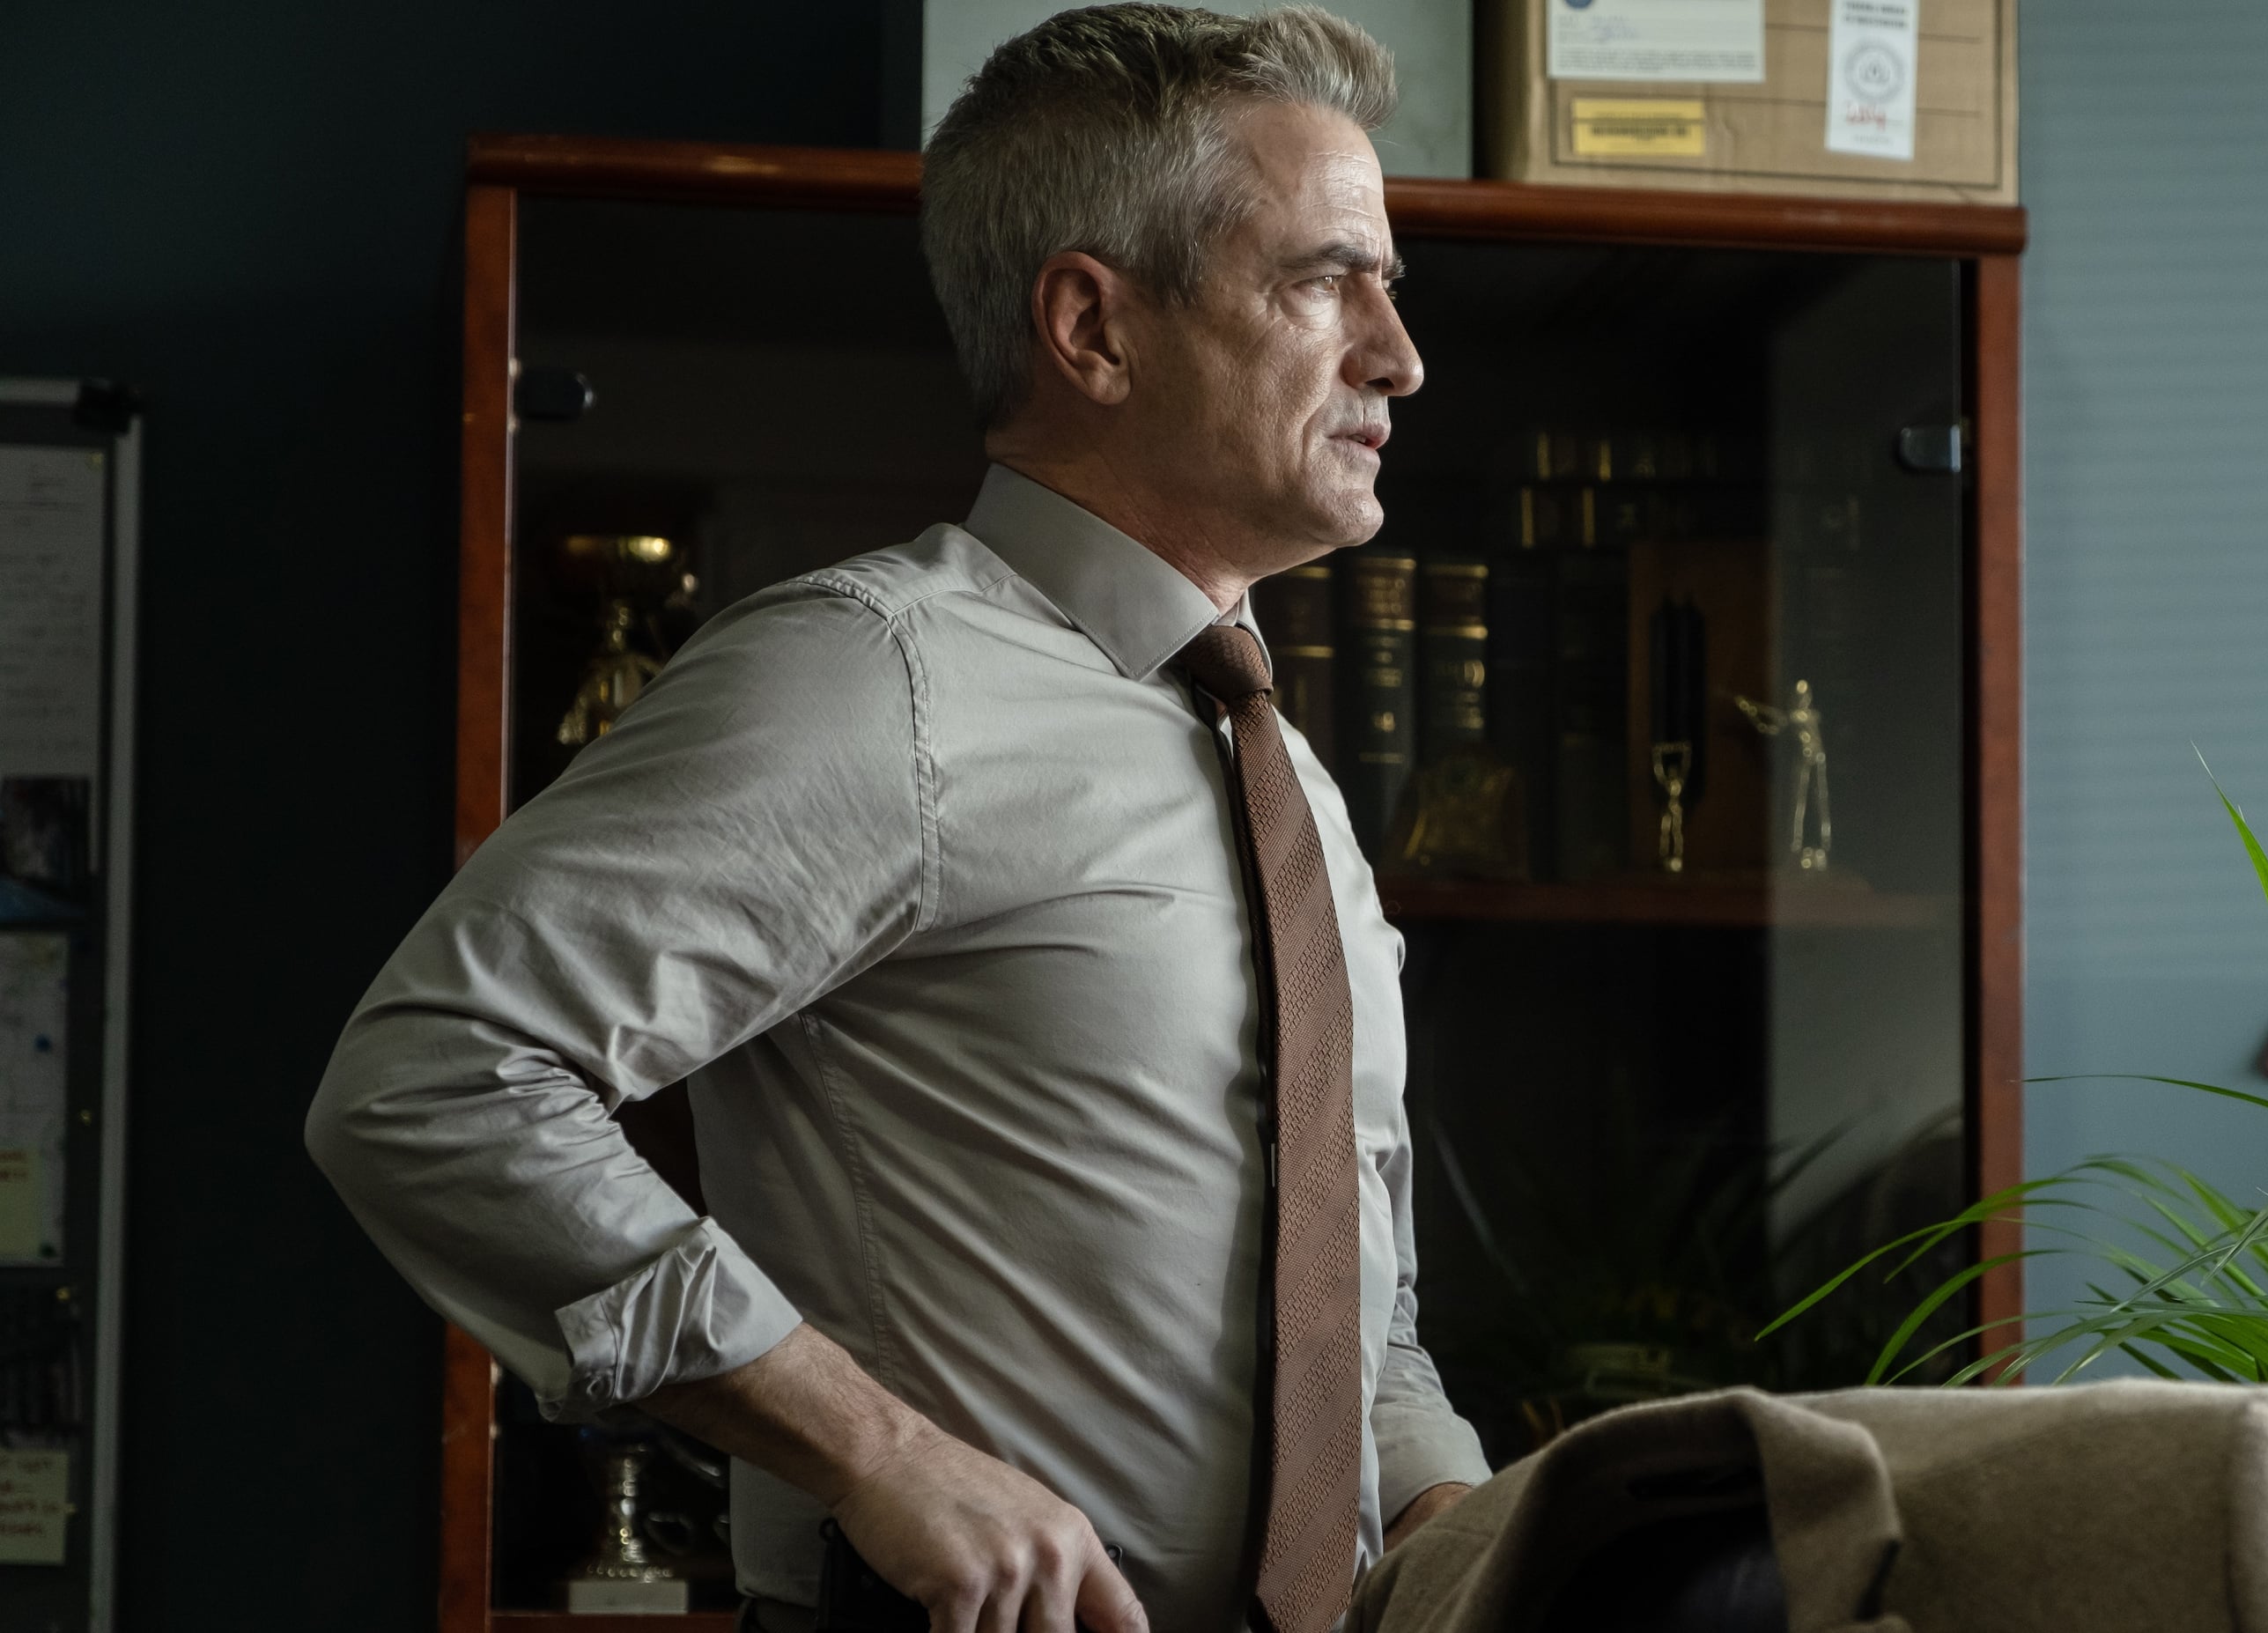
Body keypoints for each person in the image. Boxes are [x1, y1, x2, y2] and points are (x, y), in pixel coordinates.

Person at [303, 8, 1488, 1630]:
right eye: (1323, 281)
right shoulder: (875, 678)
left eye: (1389, 285)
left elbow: (1348, 1298)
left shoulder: (1290, 781)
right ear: (1094, 327)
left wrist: (1453, 1510)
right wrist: (875, 1452)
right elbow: (432, 1078)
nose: (1396, 353)